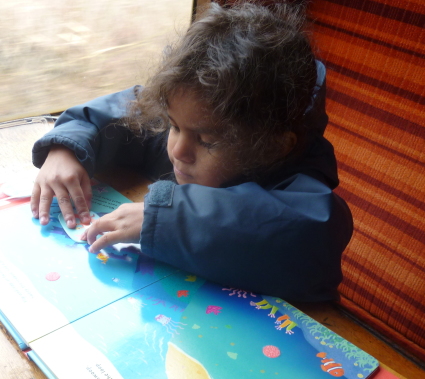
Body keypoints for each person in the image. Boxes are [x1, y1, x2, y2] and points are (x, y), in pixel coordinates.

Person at [30, 1, 353, 302]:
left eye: (207, 141)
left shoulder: (300, 187)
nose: (177, 150)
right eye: (173, 125)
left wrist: (162, 220)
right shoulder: (196, 122)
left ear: (272, 147)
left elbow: (307, 237)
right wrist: (66, 147)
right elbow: (128, 110)